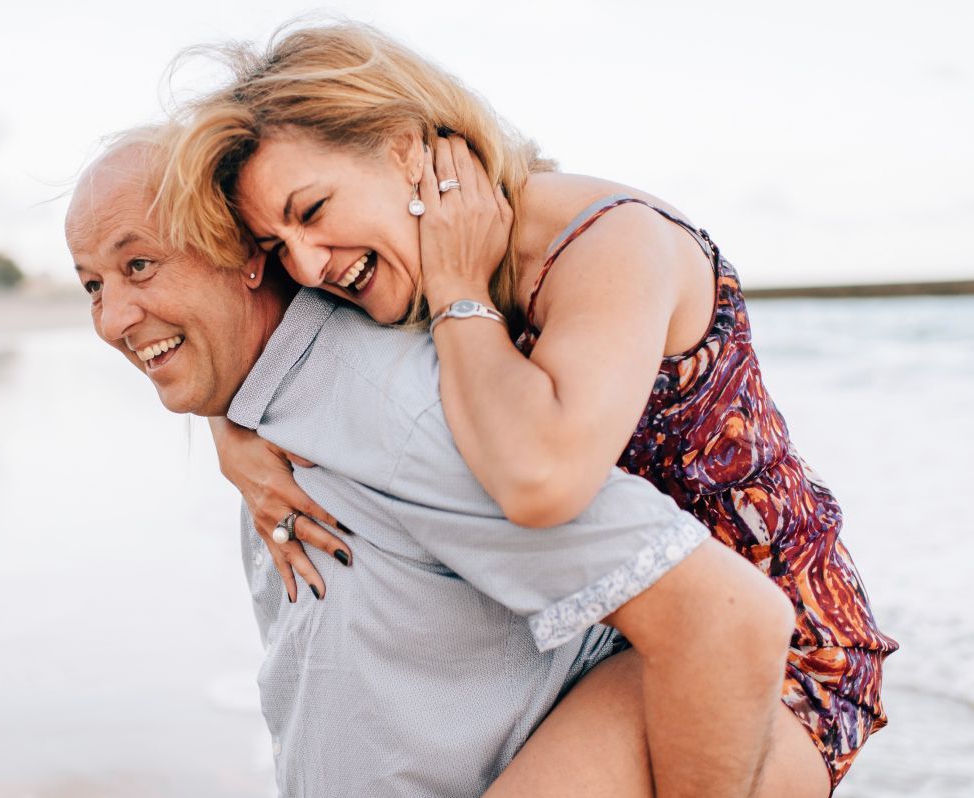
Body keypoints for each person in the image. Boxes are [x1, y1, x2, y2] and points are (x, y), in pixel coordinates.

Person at [161, 21, 898, 794]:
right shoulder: (379, 262)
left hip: (769, 649)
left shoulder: (606, 240)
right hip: (604, 633)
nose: (306, 265)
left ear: (405, 148)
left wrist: (458, 292)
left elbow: (539, 481)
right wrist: (228, 427)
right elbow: (259, 346)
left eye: (310, 211)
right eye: (274, 246)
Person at [66, 128, 797, 797]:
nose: (111, 320)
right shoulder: (282, 400)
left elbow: (726, 622)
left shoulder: (402, 408)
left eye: (140, 265)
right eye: (94, 284)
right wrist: (229, 424)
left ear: (240, 254)